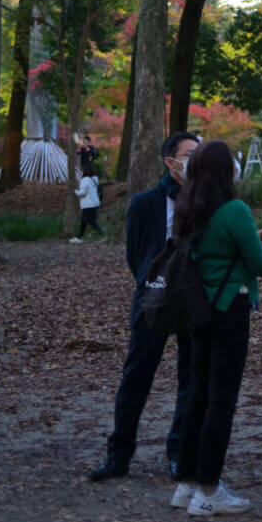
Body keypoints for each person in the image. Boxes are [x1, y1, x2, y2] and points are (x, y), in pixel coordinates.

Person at [169, 140, 262, 516]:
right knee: (222, 400)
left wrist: (255, 235)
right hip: (230, 309)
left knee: (197, 395)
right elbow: (260, 262)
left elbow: (221, 248)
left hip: (197, 309)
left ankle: (186, 484)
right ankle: (208, 490)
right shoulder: (235, 209)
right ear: (227, 170)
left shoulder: (189, 207)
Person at [88, 132, 200, 482]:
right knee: (136, 376)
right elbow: (135, 256)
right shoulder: (145, 202)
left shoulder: (207, 201)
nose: (195, 160)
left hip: (195, 300)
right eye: (189, 154)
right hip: (153, 299)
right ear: (171, 162)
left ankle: (180, 453)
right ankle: (118, 454)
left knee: (192, 378)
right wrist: (154, 283)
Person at [71, 163, 103, 242]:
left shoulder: (85, 180)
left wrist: (75, 191)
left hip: (88, 204)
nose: (80, 171)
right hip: (95, 203)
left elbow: (82, 192)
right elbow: (85, 183)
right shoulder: (94, 179)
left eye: (81, 170)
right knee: (84, 221)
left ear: (84, 171)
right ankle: (79, 237)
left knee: (89, 220)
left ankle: (101, 233)